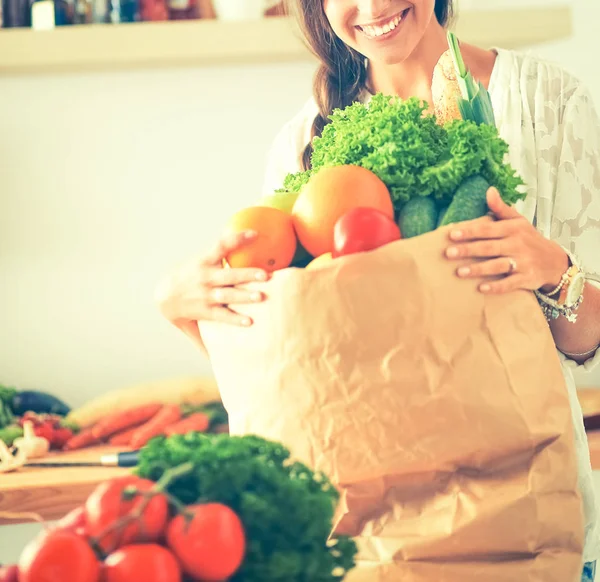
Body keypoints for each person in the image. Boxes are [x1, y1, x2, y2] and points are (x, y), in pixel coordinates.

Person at [155, 0, 600, 577]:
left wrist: (553, 269)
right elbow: (292, 363)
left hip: (523, 505)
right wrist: (187, 307)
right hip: (373, 531)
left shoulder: (549, 104)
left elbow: (586, 340)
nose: (373, 7)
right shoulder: (302, 146)